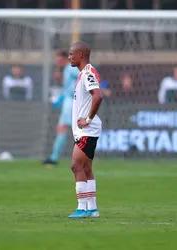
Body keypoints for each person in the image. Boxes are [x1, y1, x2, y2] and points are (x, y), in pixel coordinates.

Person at [67, 41, 103, 218]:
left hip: (87, 130)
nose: (69, 57)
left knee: (76, 165)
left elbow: (98, 96)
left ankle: (82, 208)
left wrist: (88, 119)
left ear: (81, 55)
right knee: (86, 168)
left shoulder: (88, 73)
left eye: (72, 54)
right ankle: (92, 208)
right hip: (84, 130)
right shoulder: (84, 73)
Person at [42, 50, 79, 165]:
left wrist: (75, 92)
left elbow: (82, 77)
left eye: (59, 60)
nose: (57, 62)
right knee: (66, 128)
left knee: (65, 128)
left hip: (73, 102)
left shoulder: (71, 68)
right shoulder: (67, 70)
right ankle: (55, 157)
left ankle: (54, 157)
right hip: (69, 101)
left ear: (65, 59)